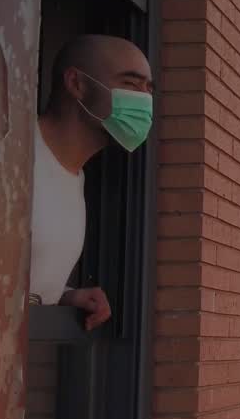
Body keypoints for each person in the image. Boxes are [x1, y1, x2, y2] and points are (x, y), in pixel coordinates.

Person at [29, 34, 153, 329]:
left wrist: (65, 296)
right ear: (77, 84)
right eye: (131, 84)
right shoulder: (10, 157)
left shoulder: (76, 177)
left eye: (149, 89)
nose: (145, 101)